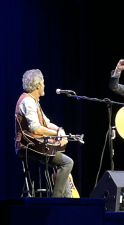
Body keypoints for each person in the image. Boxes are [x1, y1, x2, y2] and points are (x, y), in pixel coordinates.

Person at [15, 69, 73, 197]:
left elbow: (46, 123)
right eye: (43, 83)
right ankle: (57, 200)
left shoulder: (34, 101)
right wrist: (56, 135)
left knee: (64, 163)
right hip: (28, 146)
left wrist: (59, 130)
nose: (44, 85)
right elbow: (36, 129)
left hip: (36, 145)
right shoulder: (28, 101)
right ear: (38, 85)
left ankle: (68, 201)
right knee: (67, 162)